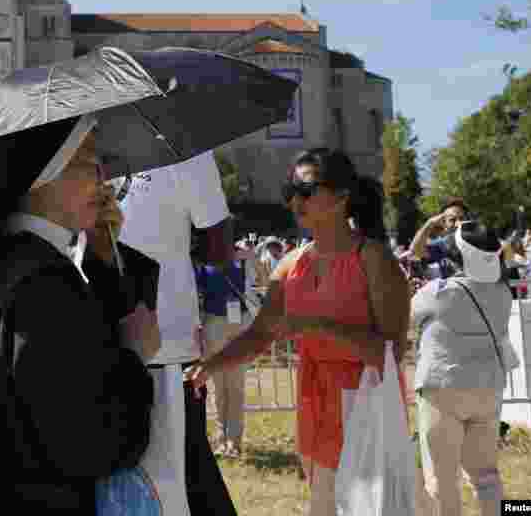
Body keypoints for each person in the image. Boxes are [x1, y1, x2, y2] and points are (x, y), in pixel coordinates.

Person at [0, 116, 160, 514]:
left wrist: (102, 260)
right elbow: (89, 443)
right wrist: (134, 355)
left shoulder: (8, 260)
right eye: (87, 162)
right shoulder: (44, 281)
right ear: (42, 175)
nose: (103, 180)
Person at [188, 148, 411, 516]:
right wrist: (209, 366)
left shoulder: (373, 257)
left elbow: (388, 353)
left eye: (305, 190)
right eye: (289, 190)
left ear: (342, 198)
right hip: (316, 406)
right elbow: (260, 335)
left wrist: (316, 326)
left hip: (365, 407)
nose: (295, 200)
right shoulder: (292, 264)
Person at [117, 150, 238, 515]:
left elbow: (219, 244)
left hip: (167, 346)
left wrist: (169, 266)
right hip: (102, 340)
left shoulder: (187, 152)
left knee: (184, 472)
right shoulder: (93, 141)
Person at [412, 221, 512, 516]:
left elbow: (409, 315)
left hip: (442, 387)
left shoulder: (439, 291)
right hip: (488, 387)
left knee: (442, 478)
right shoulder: (503, 293)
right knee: (486, 476)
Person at [196, 217, 249, 458]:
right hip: (215, 323)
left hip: (238, 324)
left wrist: (250, 258)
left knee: (235, 385)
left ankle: (234, 440)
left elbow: (259, 278)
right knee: (219, 386)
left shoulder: (242, 257)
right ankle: (221, 439)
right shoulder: (204, 263)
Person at [411, 199, 469, 279]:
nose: (458, 223)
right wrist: (429, 223)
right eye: (452, 220)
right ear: (444, 224)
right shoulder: (442, 244)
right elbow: (415, 251)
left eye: (462, 218)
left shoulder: (479, 239)